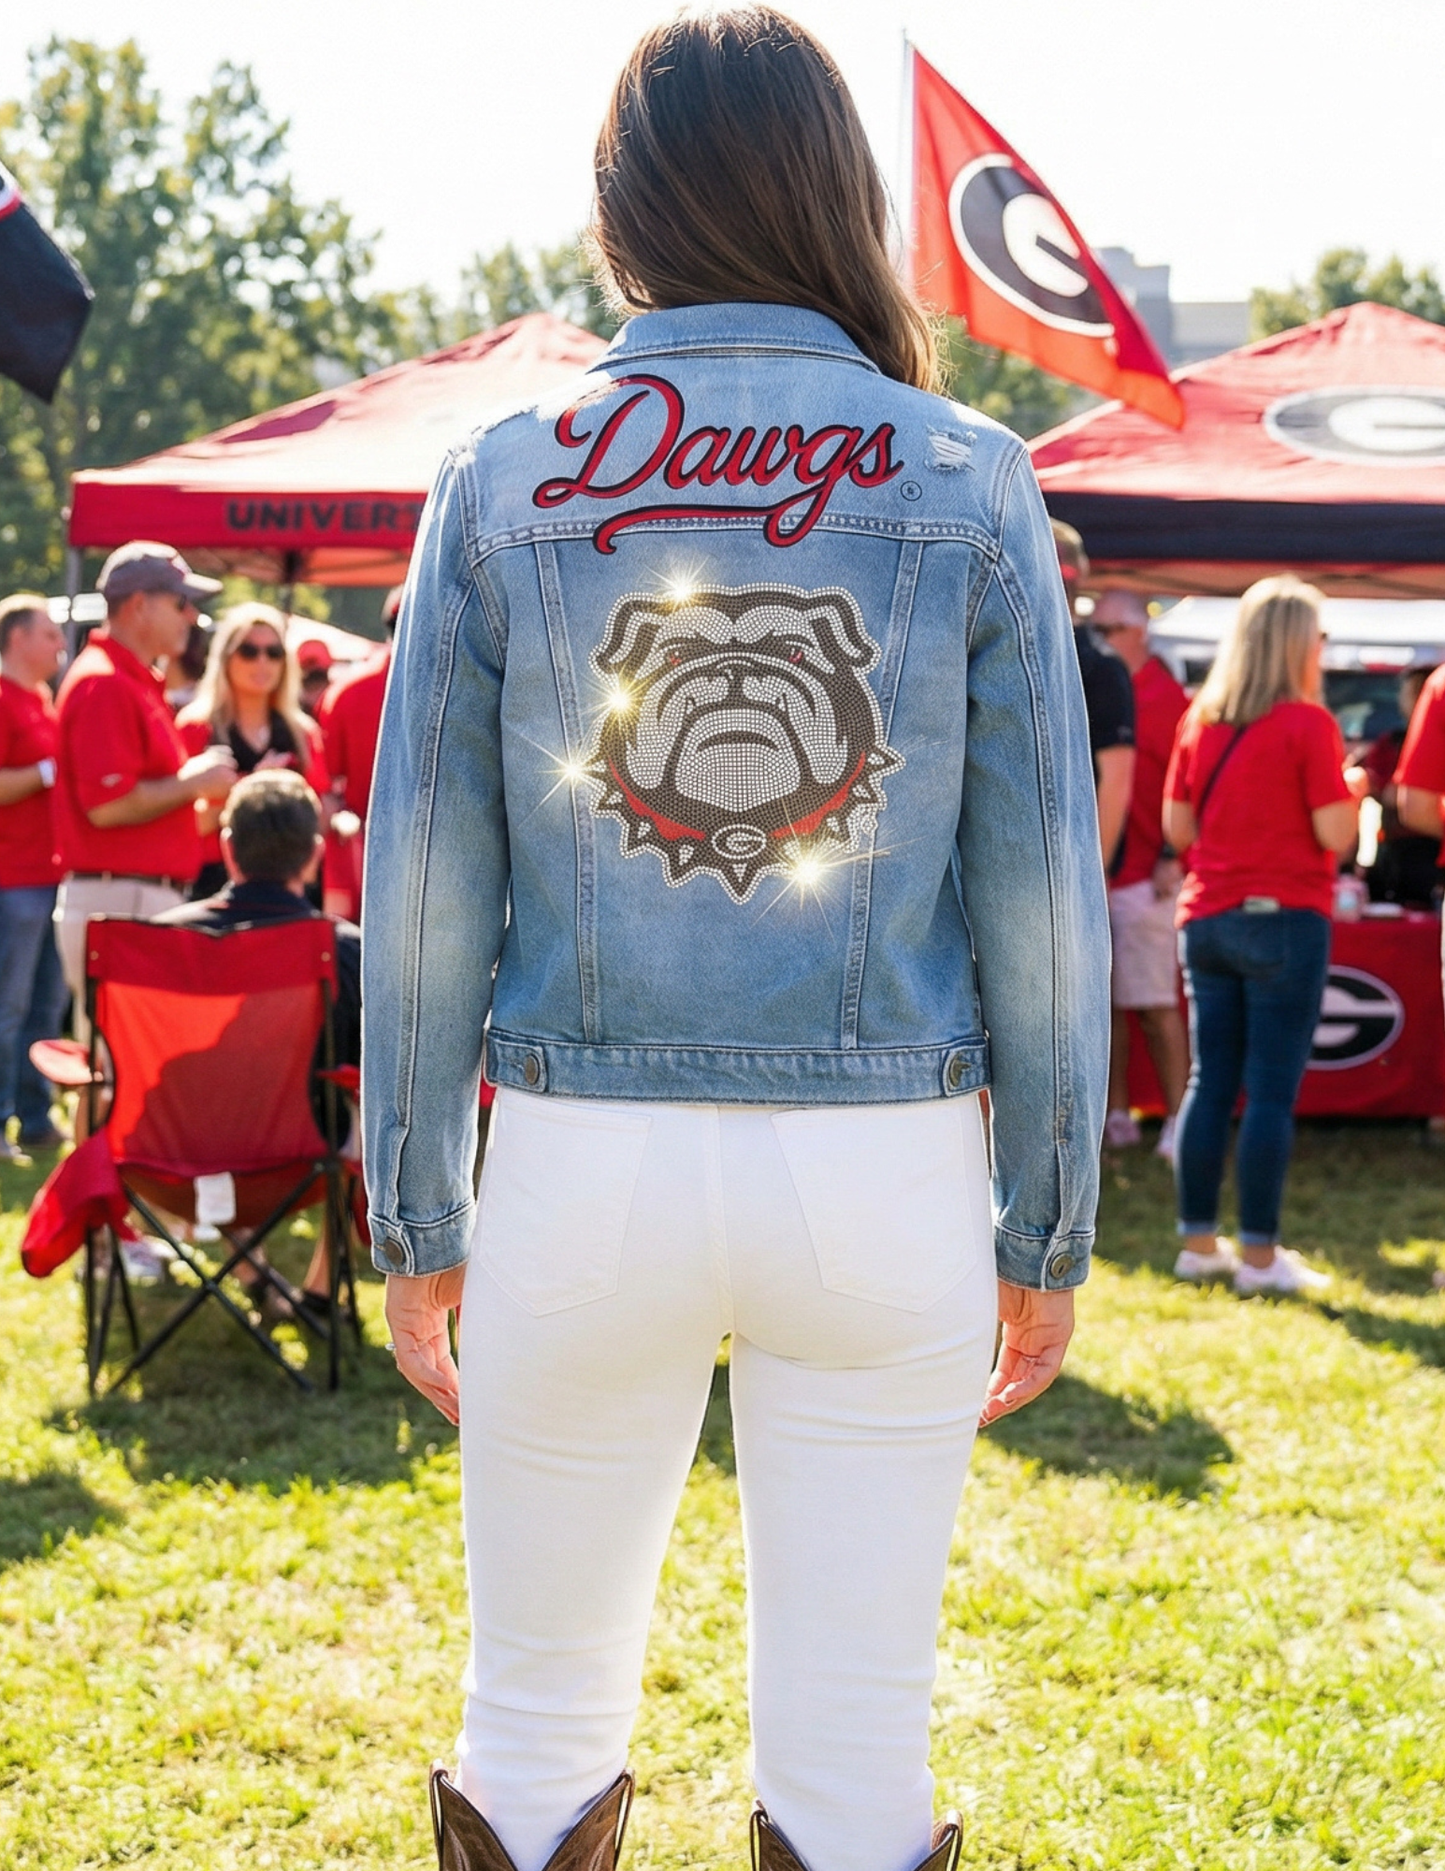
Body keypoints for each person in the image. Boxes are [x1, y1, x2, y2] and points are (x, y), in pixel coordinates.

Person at [364, 15, 1109, 1871]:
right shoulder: (966, 474)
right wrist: (1049, 1223)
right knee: (856, 1757)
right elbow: (1042, 903)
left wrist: (415, 1213)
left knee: (530, 1727)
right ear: (839, 196)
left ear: (624, 214)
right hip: (885, 1176)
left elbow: (428, 887)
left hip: (573, 1165)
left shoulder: (503, 473)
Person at [1163, 576, 1357, 1295]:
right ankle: (1257, 1257)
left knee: (1207, 1082)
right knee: (1269, 1091)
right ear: (1297, 645)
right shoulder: (1308, 724)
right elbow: (1334, 832)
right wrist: (1353, 789)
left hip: (1207, 916)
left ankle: (1195, 1241)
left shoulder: (1199, 719)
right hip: (1283, 919)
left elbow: (1176, 829)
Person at [154, 769, 359, 1324]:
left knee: (214, 1106)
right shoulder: (343, 951)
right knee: (365, 1112)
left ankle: (253, 1276)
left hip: (172, 1156)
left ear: (226, 848)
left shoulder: (158, 943)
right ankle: (319, 1290)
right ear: (315, 855)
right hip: (303, 1161)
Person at [52, 542, 238, 1020]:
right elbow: (106, 806)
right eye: (181, 602)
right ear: (139, 605)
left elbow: (146, 811)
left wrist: (214, 804)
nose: (191, 615)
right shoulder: (106, 682)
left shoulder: (131, 679)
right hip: (118, 900)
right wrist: (194, 783)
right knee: (122, 1072)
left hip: (130, 895)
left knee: (124, 1070)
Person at [1089, 588, 1190, 1158]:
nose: (1098, 641)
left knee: (1153, 1004)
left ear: (1139, 633)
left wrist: (1175, 855)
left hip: (1147, 872)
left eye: (1109, 630)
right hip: (1107, 870)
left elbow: (1192, 783)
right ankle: (1116, 1111)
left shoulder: (1169, 700)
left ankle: (1178, 1117)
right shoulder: (1099, 684)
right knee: (1104, 1005)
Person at [176, 603, 330, 900]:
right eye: (249, 651)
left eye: (274, 653)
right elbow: (185, 824)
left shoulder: (302, 733)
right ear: (225, 658)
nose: (262, 662)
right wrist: (253, 788)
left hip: (292, 886)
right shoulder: (195, 727)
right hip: (212, 882)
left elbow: (318, 815)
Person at [0, 593, 69, 1156]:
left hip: (49, 874)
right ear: (17, 638)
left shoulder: (43, 699)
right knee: (9, 1004)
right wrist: (48, 770)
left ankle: (35, 1114)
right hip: (12, 877)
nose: (60, 645)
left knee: (45, 1004)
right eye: (49, 634)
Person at [1052, 521, 1136, 872]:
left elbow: (1116, 779)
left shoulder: (1099, 664)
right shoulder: (1009, 651)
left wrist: (1091, 874)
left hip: (1069, 866)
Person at [317, 587, 399, 920]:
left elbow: (326, 785)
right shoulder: (459, 685)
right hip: (430, 851)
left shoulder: (344, 691)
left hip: (359, 851)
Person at [1377, 666, 1444, 906]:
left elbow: (1414, 806)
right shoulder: (1389, 742)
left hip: (1419, 848)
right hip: (1405, 849)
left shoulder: (1440, 687)